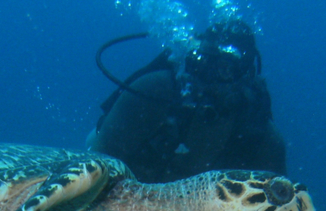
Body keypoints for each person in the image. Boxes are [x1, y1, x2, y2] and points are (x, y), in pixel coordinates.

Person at [86, 20, 288, 183]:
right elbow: (99, 158)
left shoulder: (260, 135)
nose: (210, 83)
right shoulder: (153, 91)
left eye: (225, 70)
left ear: (245, 76)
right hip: (124, 196)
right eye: (203, 65)